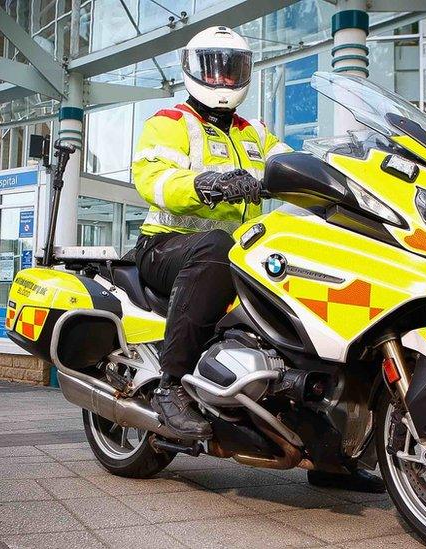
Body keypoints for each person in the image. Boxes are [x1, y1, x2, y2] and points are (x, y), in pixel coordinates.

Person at [131, 26, 384, 493]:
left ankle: (329, 455)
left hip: (234, 255)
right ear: (192, 68)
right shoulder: (170, 120)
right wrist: (202, 185)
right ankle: (170, 386)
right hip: (167, 247)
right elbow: (152, 178)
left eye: (233, 69)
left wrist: (349, 170)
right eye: (215, 68)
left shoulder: (256, 133)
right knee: (215, 248)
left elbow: (294, 165)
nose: (224, 79)